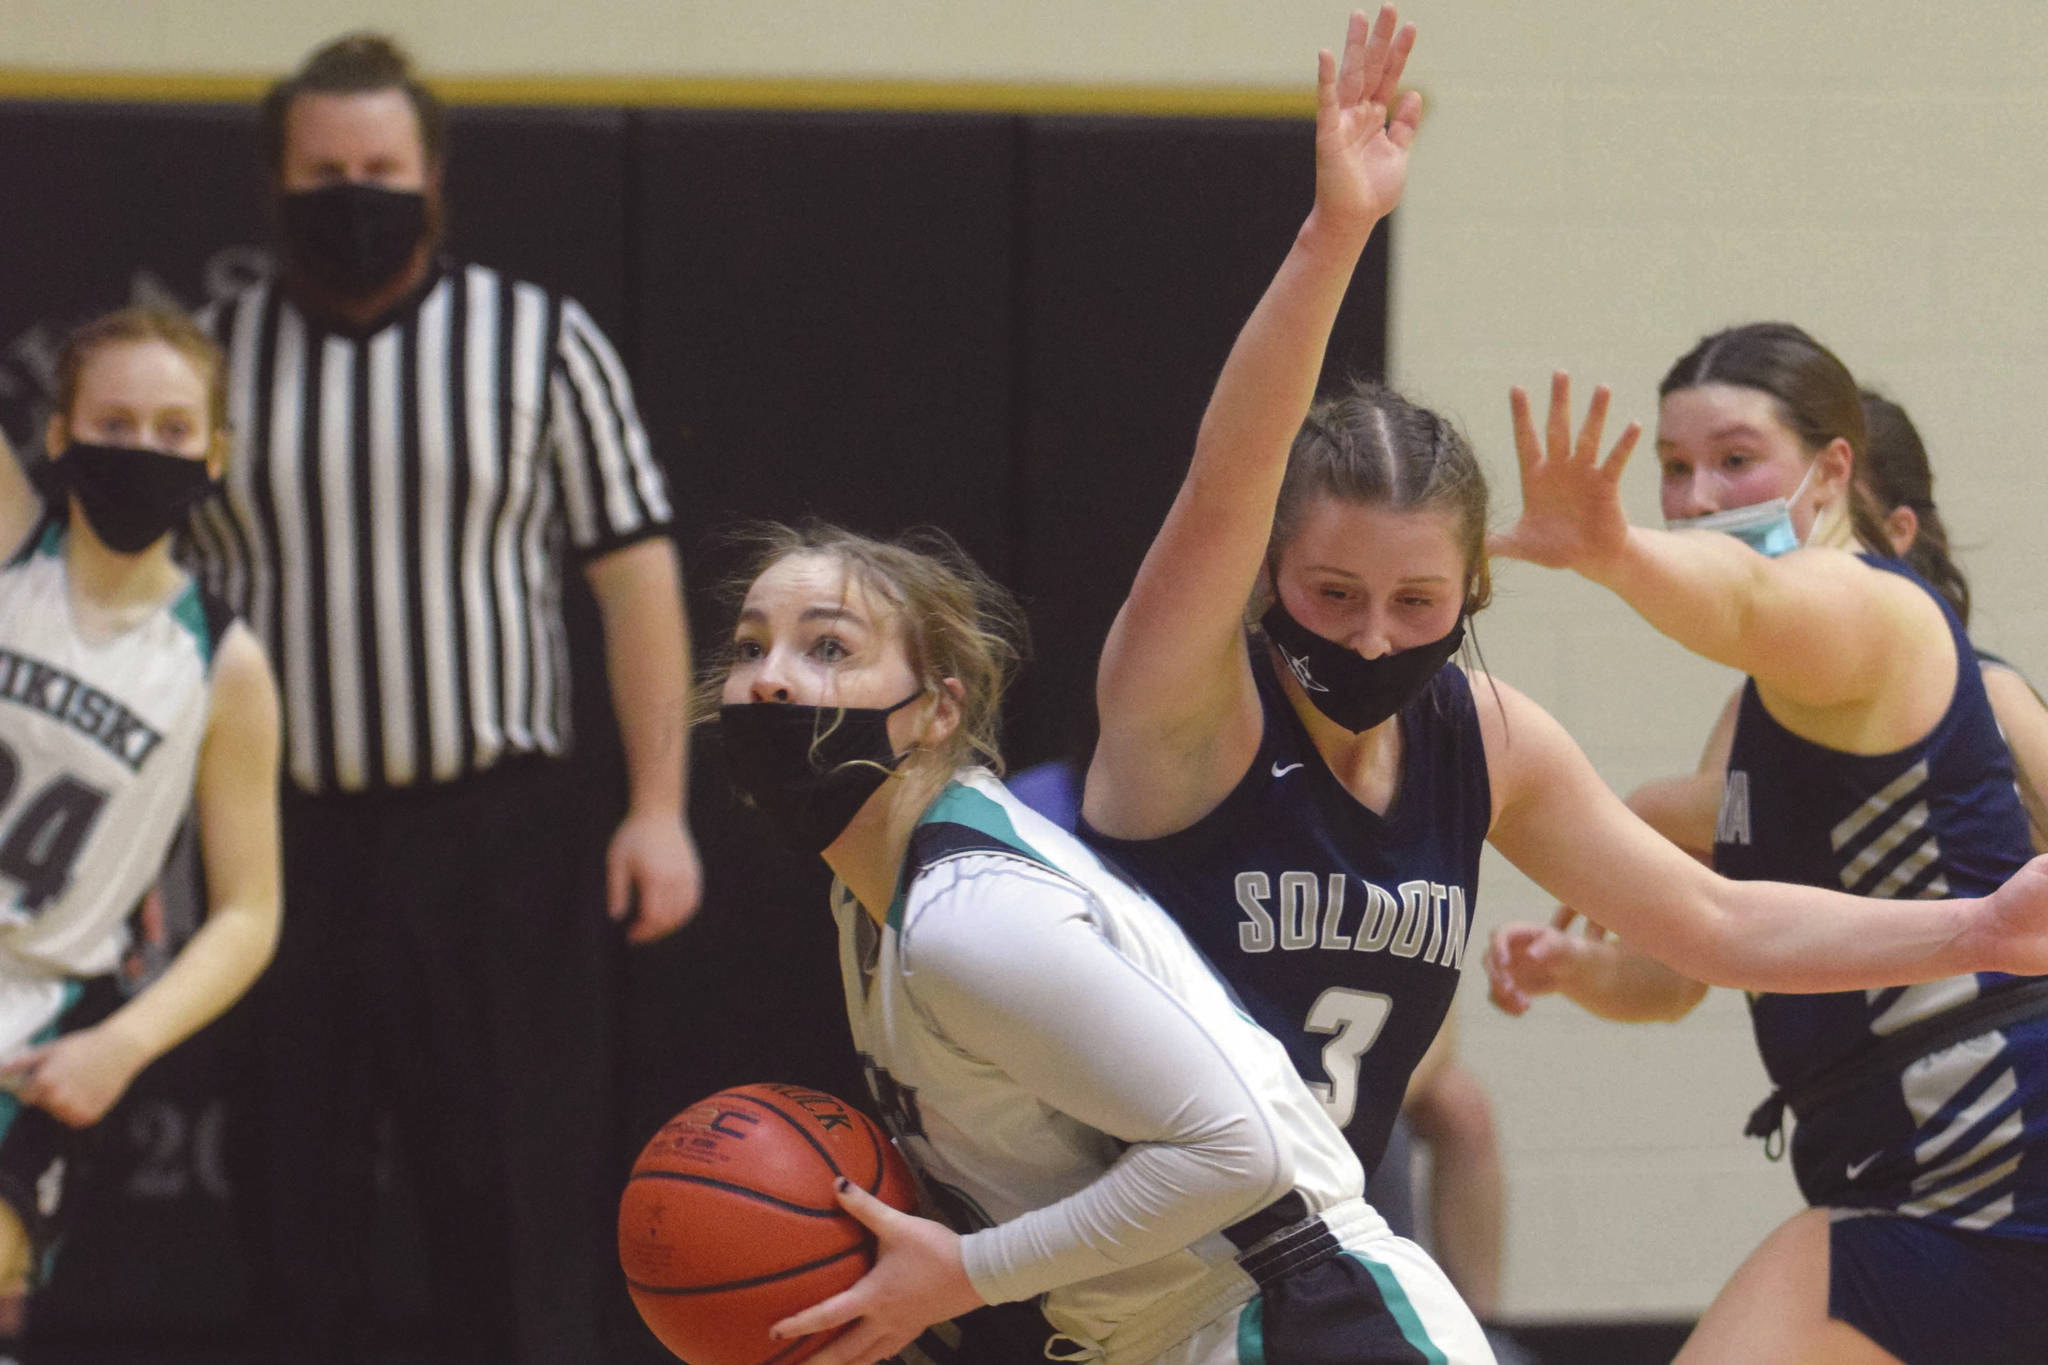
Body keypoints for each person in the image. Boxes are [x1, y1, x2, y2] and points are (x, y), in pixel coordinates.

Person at [183, 33, 700, 1365]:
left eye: (380, 168)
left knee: (514, 1188)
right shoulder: (208, 364)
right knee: (290, 1195)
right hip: (278, 841)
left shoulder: (540, 344)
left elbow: (635, 583)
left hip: (498, 836)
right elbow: (156, 621)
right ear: (274, 184)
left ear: (432, 179)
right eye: (323, 171)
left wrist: (659, 807)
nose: (353, 193)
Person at [1484, 330, 2048, 1363]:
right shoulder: (1753, 704)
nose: (1696, 496)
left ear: (1833, 469)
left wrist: (1610, 552)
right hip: (1888, 1161)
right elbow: (1687, 963)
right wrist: (1582, 969)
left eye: (1735, 460)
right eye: (1672, 468)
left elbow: (1750, 599)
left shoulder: (1870, 610)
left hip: (1985, 1151)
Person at [0, 307, 280, 1346]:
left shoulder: (223, 660)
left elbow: (250, 912)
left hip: (39, 1017)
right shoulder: (10, 544)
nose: (143, 448)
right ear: (60, 433)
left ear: (215, 455)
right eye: (114, 421)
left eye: (172, 429)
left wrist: (122, 1043)